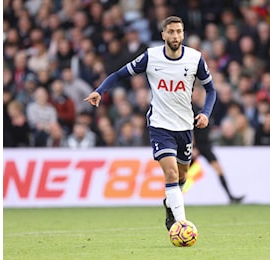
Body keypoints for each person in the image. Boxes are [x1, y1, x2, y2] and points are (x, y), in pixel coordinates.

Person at [84, 16, 216, 231]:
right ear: (163, 35)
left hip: (184, 126)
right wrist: (100, 91)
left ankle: (169, 204)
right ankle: (182, 225)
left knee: (183, 175)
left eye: (179, 32)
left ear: (183, 34)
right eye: (171, 32)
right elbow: (119, 74)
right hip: (160, 125)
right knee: (171, 174)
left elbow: (210, 90)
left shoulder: (195, 59)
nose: (175, 36)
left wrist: (206, 114)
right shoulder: (151, 57)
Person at [191, 84, 245, 204]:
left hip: (205, 145)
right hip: (195, 146)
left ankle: (230, 196)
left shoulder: (205, 109)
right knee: (182, 173)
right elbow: (190, 129)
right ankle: (172, 198)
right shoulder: (191, 109)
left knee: (219, 169)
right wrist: (193, 147)